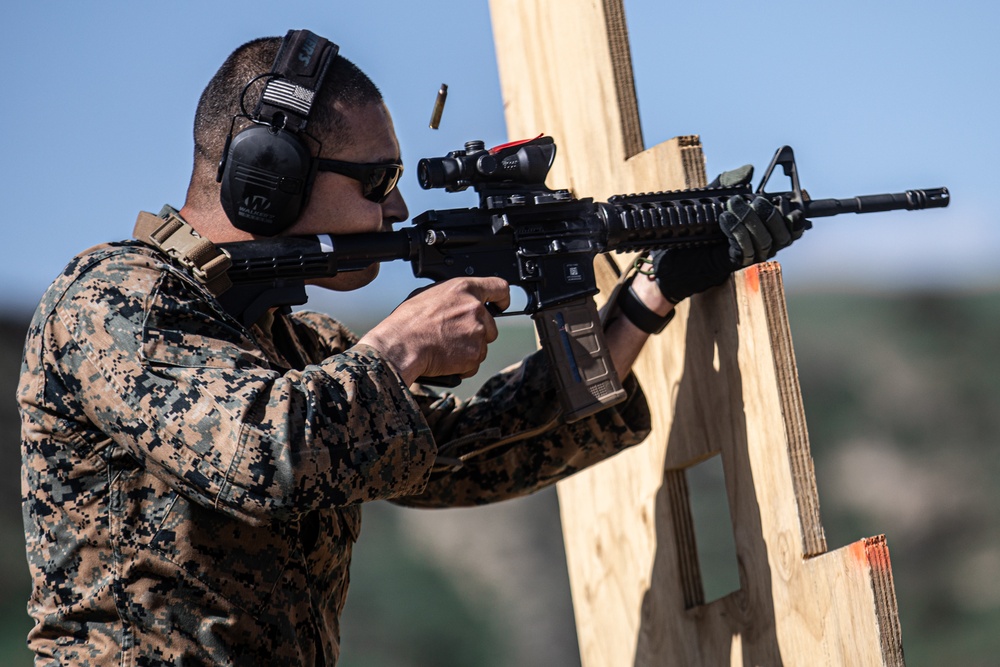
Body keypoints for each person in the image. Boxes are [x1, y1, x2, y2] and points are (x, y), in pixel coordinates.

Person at [17, 30, 805, 666]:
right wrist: (399, 349)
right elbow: (261, 453)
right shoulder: (112, 298)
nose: (396, 204)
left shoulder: (295, 346)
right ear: (270, 177)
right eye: (376, 178)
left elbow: (463, 456)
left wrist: (648, 294)